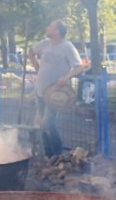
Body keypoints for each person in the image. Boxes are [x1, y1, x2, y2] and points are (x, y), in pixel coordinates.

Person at [28, 19, 85, 157]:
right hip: (40, 90)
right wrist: (37, 66)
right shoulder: (45, 43)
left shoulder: (67, 47)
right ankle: (49, 156)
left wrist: (66, 77)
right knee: (42, 125)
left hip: (56, 94)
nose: (47, 28)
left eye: (50, 26)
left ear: (57, 31)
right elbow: (31, 52)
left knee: (48, 123)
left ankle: (58, 153)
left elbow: (79, 67)